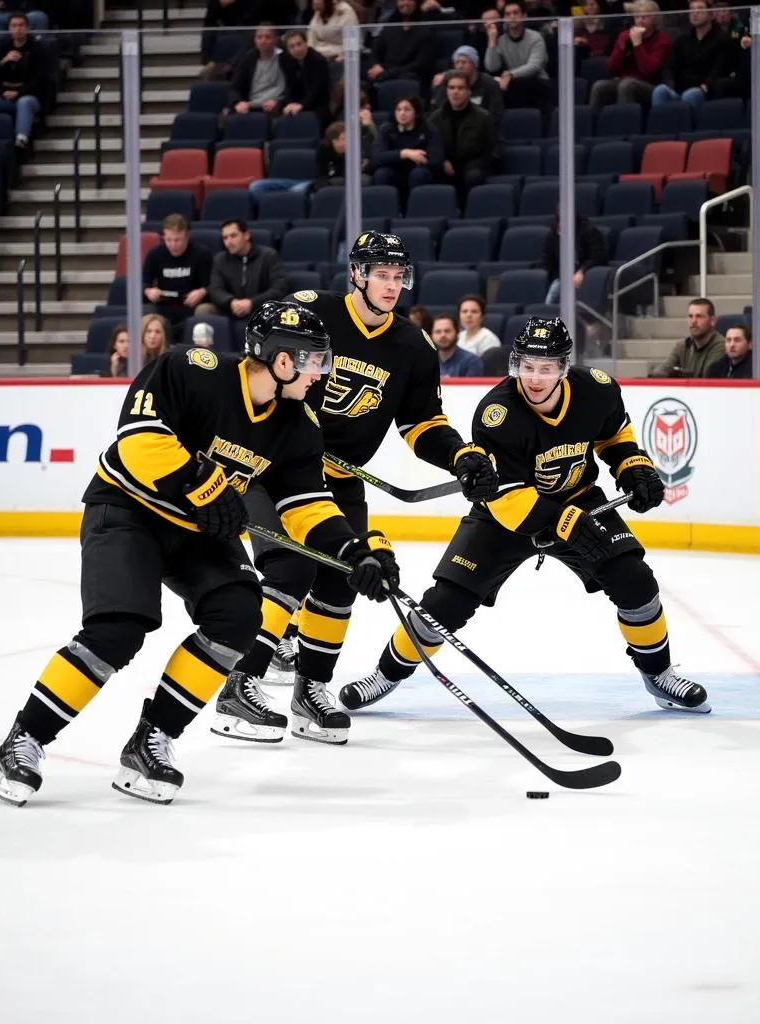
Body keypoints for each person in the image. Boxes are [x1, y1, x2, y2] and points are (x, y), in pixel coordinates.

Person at [0, 300, 401, 807]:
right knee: (118, 630)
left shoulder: (298, 424)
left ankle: (150, 740)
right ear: (283, 360)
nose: (321, 374)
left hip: (198, 532)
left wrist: (355, 552)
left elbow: (307, 504)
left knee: (239, 616)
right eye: (314, 361)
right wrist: (202, 484)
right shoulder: (190, 370)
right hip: (127, 511)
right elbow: (137, 441)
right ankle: (23, 739)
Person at [340, 316, 710, 715]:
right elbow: (509, 498)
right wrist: (565, 522)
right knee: (446, 604)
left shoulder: (597, 390)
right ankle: (386, 673)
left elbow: (613, 435)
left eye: (546, 368)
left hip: (580, 500)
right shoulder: (497, 413)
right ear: (515, 363)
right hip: (504, 517)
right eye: (527, 366)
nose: (534, 378)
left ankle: (659, 673)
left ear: (564, 367)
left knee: (635, 580)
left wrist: (632, 467)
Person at [217, 231, 500, 743]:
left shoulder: (412, 346)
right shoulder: (310, 313)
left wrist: (461, 455)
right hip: (274, 469)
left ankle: (311, 690)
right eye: (382, 275)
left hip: (341, 479)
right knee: (292, 566)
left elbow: (421, 424)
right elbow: (255, 375)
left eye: (398, 277)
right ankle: (243, 680)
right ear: (357, 275)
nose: (392, 286)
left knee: (343, 579)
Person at [199, 218, 289, 347]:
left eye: (233, 236)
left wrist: (251, 303)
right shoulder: (220, 259)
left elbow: (279, 288)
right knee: (204, 310)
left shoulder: (268, 256)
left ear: (246, 235)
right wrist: (231, 302)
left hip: (260, 308)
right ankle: (207, 358)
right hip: (230, 308)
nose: (229, 242)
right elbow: (215, 289)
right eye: (225, 238)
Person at [428, 71, 501, 207]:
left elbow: (494, 148)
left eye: (461, 88)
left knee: (472, 176)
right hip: (446, 164)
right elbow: (429, 146)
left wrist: (480, 163)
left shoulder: (483, 117)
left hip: (474, 164)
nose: (456, 92)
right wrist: (441, 161)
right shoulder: (435, 118)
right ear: (447, 91)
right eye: (452, 88)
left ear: (469, 92)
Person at [141, 214, 214, 337]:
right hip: (163, 305)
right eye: (168, 240)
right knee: (145, 310)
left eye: (177, 240)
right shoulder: (155, 254)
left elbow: (214, 284)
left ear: (187, 236)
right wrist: (149, 291)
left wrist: (202, 291)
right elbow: (144, 282)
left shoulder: (202, 254)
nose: (173, 245)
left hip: (192, 305)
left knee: (204, 310)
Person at [0, 12, 45, 149]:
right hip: (5, 95)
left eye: (21, 25)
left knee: (24, 102)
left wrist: (19, 92)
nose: (18, 29)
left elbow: (39, 79)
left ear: (28, 28)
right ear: (9, 29)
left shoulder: (37, 49)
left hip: (29, 95)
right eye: (14, 26)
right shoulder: (1, 48)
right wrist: (4, 61)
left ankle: (21, 140)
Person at [592, 0, 670, 110]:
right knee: (599, 86)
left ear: (654, 19)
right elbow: (612, 68)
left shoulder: (662, 40)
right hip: (624, 80)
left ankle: (625, 125)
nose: (640, 21)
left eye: (645, 17)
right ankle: (595, 124)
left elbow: (648, 70)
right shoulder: (625, 36)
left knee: (626, 85)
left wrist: (638, 45)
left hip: (651, 85)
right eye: (637, 17)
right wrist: (622, 46)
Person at [369, 94, 442, 210]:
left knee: (418, 174)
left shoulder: (429, 129)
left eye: (407, 110)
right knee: (382, 174)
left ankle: (414, 212)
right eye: (398, 109)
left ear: (416, 113)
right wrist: (404, 154)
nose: (402, 113)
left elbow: (436, 159)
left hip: (420, 172)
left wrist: (421, 160)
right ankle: (386, 213)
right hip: (396, 171)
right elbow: (376, 157)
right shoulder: (387, 129)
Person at [651, 0, 726, 109]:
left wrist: (706, 86)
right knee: (660, 91)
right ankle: (659, 125)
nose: (695, 13)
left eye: (700, 9)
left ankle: (689, 125)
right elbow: (668, 66)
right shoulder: (682, 39)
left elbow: (720, 69)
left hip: (704, 90)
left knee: (690, 95)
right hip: (679, 89)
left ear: (710, 14)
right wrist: (670, 84)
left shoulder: (721, 39)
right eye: (692, 10)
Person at [482, 0, 552, 110]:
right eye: (508, 14)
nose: (512, 17)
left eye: (515, 13)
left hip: (537, 82)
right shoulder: (501, 40)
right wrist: (492, 40)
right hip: (514, 83)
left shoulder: (536, 37)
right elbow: (491, 67)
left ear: (524, 15)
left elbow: (535, 66)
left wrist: (510, 74)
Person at [541, 207, 608, 305]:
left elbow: (598, 257)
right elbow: (546, 259)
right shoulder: (553, 233)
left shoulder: (589, 231)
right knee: (554, 292)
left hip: (585, 274)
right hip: (562, 277)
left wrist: (582, 271)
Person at [647, 298, 725, 378]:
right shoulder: (681, 346)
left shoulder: (721, 346)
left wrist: (677, 373)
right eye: (690, 316)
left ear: (712, 321)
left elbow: (707, 379)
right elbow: (663, 371)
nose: (693, 321)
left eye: (699, 316)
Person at [230, 24, 286, 116]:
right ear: (255, 40)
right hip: (251, 106)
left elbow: (291, 88)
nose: (263, 41)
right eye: (259, 37)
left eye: (267, 37)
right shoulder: (247, 60)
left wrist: (279, 102)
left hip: (276, 106)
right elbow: (235, 86)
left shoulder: (285, 59)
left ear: (275, 40)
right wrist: (238, 102)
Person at [432, 312, 484, 377]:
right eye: (438, 332)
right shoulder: (426, 361)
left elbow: (470, 387)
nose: (443, 335)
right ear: (431, 336)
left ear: (457, 333)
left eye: (447, 331)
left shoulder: (471, 361)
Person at [457, 293, 501, 357]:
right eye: (464, 311)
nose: (468, 315)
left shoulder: (489, 339)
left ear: (482, 316)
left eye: (474, 311)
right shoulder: (458, 336)